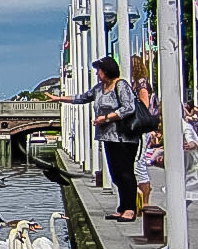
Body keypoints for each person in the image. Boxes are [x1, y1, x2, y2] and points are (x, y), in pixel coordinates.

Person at [47, 55, 140, 221]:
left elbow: (129, 107)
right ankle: (122, 206)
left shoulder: (121, 85)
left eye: (99, 70)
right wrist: (60, 99)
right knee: (115, 173)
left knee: (125, 173)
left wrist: (106, 118)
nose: (97, 73)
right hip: (108, 136)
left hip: (124, 137)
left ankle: (130, 209)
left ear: (107, 70)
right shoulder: (99, 88)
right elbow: (83, 98)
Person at [154, 118, 198, 249]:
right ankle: (173, 242)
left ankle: (174, 243)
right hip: (185, 175)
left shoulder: (184, 126)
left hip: (194, 175)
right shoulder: (172, 127)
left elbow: (191, 139)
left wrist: (191, 144)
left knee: (173, 206)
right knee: (172, 206)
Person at [130, 55, 155, 212]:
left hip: (141, 127)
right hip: (138, 127)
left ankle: (145, 201)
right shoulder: (137, 83)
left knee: (139, 163)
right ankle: (138, 200)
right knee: (135, 163)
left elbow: (144, 104)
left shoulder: (141, 83)